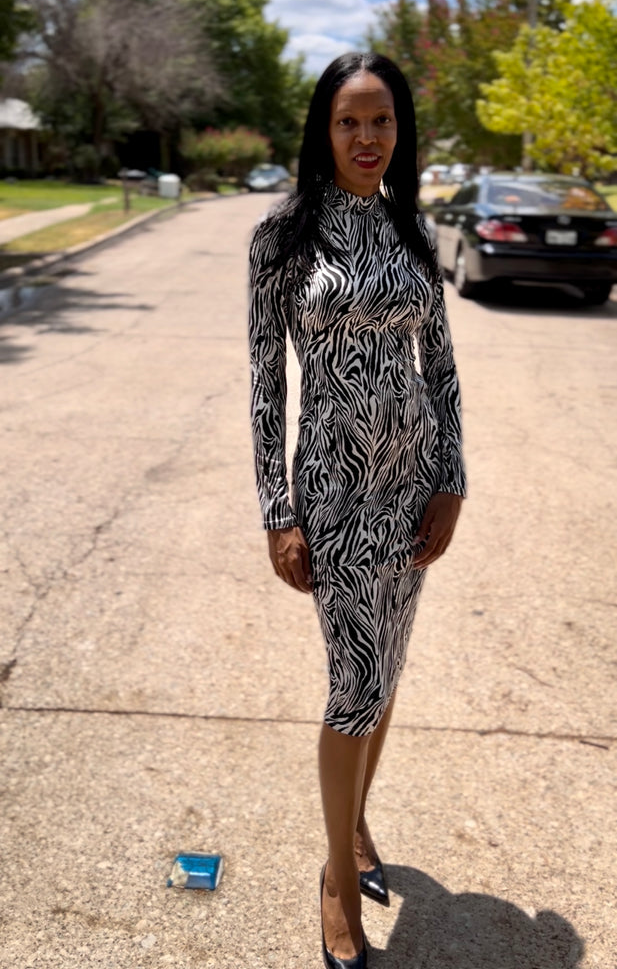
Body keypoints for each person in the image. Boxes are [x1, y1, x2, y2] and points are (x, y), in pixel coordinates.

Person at [248, 52, 466, 969]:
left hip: (411, 489)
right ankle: (336, 879)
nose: (366, 137)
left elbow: (440, 368)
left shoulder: (412, 228)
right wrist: (277, 510)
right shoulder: (282, 237)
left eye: (381, 121)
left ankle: (359, 827)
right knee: (354, 686)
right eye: (349, 121)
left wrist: (452, 481)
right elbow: (266, 383)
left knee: (388, 673)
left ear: (398, 130)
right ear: (323, 130)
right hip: (334, 492)